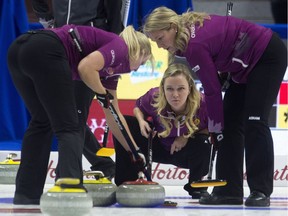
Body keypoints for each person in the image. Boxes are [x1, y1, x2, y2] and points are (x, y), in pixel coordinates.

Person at [142, 6, 287, 207]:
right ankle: (229, 191)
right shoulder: (187, 34)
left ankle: (260, 190)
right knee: (229, 125)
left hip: (266, 56)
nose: (159, 46)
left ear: (173, 27)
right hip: (242, 65)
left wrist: (214, 129)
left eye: (160, 38)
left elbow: (212, 92)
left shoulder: (194, 45)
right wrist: (219, 128)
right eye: (154, 41)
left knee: (255, 121)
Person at [7, 24, 153, 205]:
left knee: (42, 122)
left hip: (19, 49)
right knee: (70, 126)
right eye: (144, 61)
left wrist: (133, 150)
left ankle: (26, 193)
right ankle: (70, 190)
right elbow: (85, 68)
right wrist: (101, 92)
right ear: (138, 51)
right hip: (46, 49)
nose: (139, 68)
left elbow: (113, 115)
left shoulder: (111, 71)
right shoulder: (120, 47)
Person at [30, 0, 125, 179]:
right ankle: (103, 165)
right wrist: (47, 20)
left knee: (74, 117)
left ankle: (67, 176)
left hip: (89, 50)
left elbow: (114, 16)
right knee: (63, 115)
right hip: (60, 45)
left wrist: (110, 52)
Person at [113, 63, 211, 199]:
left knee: (204, 142)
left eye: (181, 89)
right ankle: (126, 182)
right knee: (125, 123)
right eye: (169, 89)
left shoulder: (203, 103)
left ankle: (197, 187)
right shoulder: (155, 96)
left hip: (184, 152)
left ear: (190, 88)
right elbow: (138, 107)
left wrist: (185, 136)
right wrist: (141, 121)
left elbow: (210, 127)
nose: (175, 95)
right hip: (157, 145)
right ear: (163, 89)